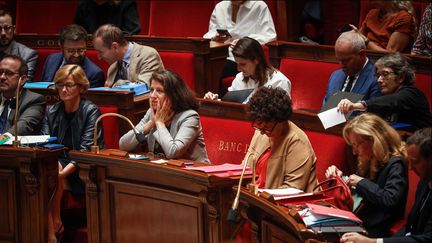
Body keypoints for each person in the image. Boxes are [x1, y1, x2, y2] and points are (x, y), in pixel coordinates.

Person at [40, 64, 104, 243]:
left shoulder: (90, 111)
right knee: (48, 169)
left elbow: (85, 150)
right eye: (60, 85)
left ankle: (51, 229)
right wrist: (57, 171)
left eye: (69, 85)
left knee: (52, 172)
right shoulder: (52, 111)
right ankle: (54, 224)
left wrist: (61, 173)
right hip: (56, 166)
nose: (63, 89)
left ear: (81, 87)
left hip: (82, 169)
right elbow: (45, 143)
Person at [340, 127, 432, 243]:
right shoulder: (424, 181)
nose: (411, 168)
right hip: (363, 224)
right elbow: (411, 227)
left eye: (415, 162)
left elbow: (427, 238)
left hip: (375, 227)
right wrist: (340, 180)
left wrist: (374, 242)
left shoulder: (396, 163)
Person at [325, 113, 408, 237]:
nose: (354, 151)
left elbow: (391, 200)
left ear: (374, 140)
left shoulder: (396, 163)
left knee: (319, 233)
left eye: (357, 145)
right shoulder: (368, 159)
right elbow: (356, 193)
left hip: (374, 230)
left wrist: (360, 182)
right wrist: (339, 179)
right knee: (311, 228)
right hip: (355, 222)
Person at [119, 69, 209, 163]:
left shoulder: (189, 117)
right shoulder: (152, 113)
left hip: (193, 173)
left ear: (174, 95)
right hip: (163, 171)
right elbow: (123, 145)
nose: (153, 96)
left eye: (159, 91)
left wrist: (159, 123)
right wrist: (151, 123)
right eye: (151, 90)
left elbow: (173, 152)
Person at [242, 86, 318, 191]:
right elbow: (244, 170)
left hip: (282, 205)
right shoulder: (260, 131)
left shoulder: (297, 141)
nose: (262, 132)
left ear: (281, 120)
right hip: (254, 198)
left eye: (267, 128)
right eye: (259, 126)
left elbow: (292, 190)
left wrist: (259, 194)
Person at [337, 52, 432, 130]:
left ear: (401, 77)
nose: (379, 80)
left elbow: (393, 101)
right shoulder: (386, 96)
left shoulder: (412, 94)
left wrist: (355, 105)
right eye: (378, 75)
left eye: (385, 74)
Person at [203, 0, 276, 79]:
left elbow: (269, 36)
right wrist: (215, 37)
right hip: (220, 56)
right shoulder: (220, 7)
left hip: (243, 58)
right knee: (203, 65)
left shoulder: (259, 6)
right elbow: (210, 33)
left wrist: (244, 42)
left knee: (215, 68)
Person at [203, 37, 291, 102]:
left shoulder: (279, 81)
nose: (238, 69)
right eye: (237, 64)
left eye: (243, 64)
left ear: (256, 60)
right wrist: (216, 101)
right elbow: (231, 106)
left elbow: (281, 115)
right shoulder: (239, 78)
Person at [93, 24, 164, 87]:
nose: (99, 57)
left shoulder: (148, 55)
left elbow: (144, 87)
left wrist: (118, 84)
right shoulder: (112, 68)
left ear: (115, 46)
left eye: (101, 52)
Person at [322, 31, 381, 106]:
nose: (342, 65)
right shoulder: (335, 76)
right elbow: (325, 109)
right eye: (339, 60)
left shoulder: (376, 77)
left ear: (362, 54)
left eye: (346, 60)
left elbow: (373, 114)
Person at [40, 24, 105, 87]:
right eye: (71, 51)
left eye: (80, 50)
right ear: (61, 46)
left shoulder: (94, 74)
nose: (76, 55)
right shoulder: (51, 59)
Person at [0, 54, 45, 141]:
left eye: (9, 73)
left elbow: (25, 124)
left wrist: (4, 137)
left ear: (23, 79)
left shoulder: (34, 100)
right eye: (0, 72)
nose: (2, 77)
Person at [0, 10, 38, 81]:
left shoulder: (28, 55)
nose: (3, 33)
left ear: (14, 29)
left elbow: (23, 82)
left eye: (7, 28)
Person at [74, 0, 141, 35]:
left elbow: (131, 31)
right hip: (91, 47)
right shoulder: (85, 3)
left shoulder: (126, 2)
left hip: (116, 48)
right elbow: (78, 30)